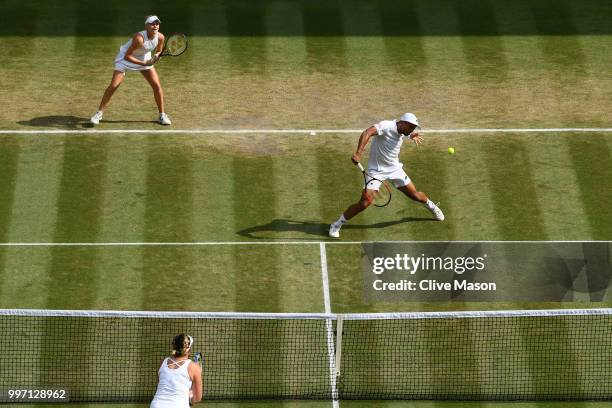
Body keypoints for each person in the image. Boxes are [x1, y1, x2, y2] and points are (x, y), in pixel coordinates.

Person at [329, 113, 445, 238]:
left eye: (414, 128)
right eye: (411, 127)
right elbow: (367, 132)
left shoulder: (402, 131)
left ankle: (432, 206)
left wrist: (411, 135)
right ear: (403, 123)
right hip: (376, 171)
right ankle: (336, 224)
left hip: (395, 169)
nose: (412, 130)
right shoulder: (386, 126)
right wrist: (358, 153)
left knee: (415, 195)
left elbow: (401, 134)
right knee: (365, 203)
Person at [90, 15, 171, 126]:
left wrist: (156, 56)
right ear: (146, 26)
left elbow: (159, 50)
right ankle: (98, 114)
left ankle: (162, 115)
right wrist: (144, 64)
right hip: (125, 59)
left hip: (144, 57)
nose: (155, 26)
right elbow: (127, 56)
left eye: (157, 23)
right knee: (114, 86)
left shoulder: (160, 37)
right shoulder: (139, 38)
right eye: (152, 23)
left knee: (156, 86)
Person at [151, 334, 203, 408]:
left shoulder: (162, 363)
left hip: (156, 405)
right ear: (189, 349)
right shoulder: (194, 367)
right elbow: (197, 398)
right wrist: (190, 397)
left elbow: (164, 386)